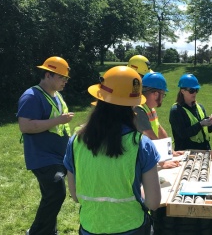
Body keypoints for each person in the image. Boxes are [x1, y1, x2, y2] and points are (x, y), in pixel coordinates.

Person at [63, 66, 161, 235]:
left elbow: (75, 194)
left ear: (99, 99)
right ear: (133, 107)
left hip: (90, 228)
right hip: (132, 228)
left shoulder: (76, 141)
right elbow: (153, 203)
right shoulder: (141, 144)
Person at [17, 56, 73, 235]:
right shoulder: (31, 96)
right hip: (42, 157)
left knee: (51, 196)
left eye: (66, 78)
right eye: (61, 77)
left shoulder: (57, 95)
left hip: (58, 155)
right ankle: (36, 232)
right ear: (48, 75)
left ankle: (48, 231)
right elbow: (25, 126)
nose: (65, 81)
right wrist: (59, 120)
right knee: (56, 193)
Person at [134, 72, 182, 169]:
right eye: (163, 94)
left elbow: (159, 130)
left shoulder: (149, 108)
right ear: (155, 94)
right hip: (137, 162)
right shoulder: (138, 109)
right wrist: (163, 162)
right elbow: (150, 136)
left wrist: (170, 151)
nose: (162, 98)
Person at [169, 73, 212, 151]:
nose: (195, 93)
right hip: (185, 153)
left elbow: (207, 130)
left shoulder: (200, 107)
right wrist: (201, 124)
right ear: (182, 91)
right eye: (191, 90)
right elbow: (183, 134)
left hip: (204, 150)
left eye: (196, 90)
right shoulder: (176, 110)